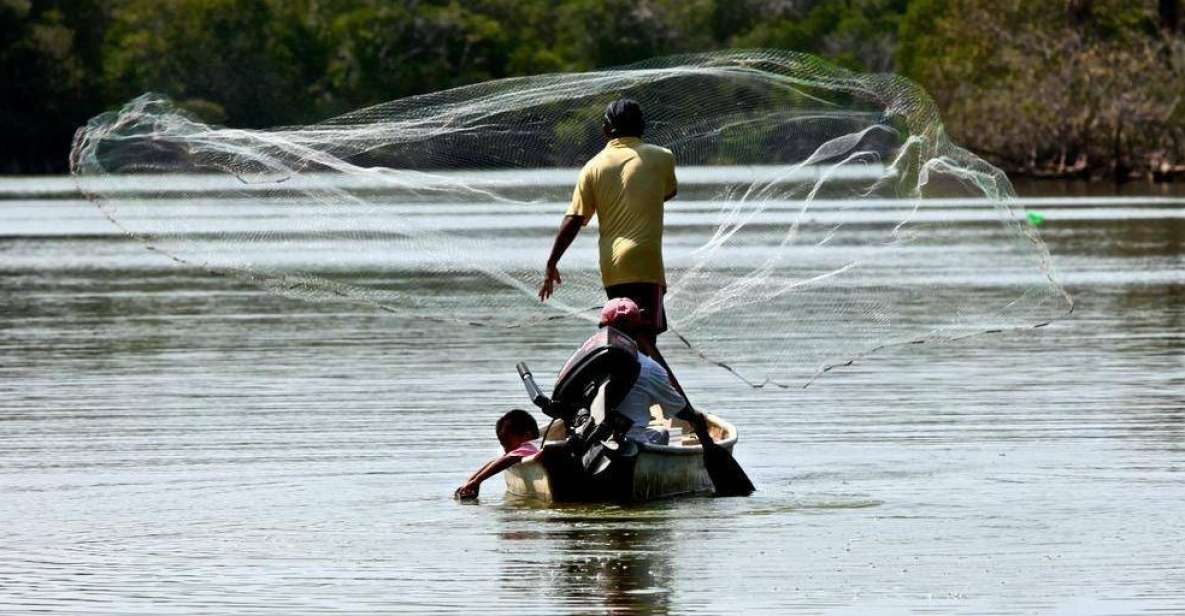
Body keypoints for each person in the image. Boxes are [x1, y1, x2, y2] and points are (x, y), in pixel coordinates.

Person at [538, 98, 688, 395]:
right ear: (642, 127)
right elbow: (666, 192)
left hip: (613, 267)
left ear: (606, 130)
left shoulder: (593, 167)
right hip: (646, 264)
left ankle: (633, 402)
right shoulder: (662, 158)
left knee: (627, 339)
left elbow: (574, 219)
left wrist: (551, 263)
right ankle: (680, 405)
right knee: (644, 340)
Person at [597, 298, 711, 446]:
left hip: (593, 438)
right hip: (630, 443)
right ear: (638, 332)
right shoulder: (649, 368)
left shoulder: (591, 362)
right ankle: (675, 450)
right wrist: (697, 421)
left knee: (661, 432)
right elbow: (679, 410)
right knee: (667, 433)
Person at [454, 409, 541, 500]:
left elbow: (507, 459)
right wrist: (471, 481)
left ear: (526, 436)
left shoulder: (528, 447)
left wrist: (477, 481)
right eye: (503, 445)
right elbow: (497, 461)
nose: (505, 450)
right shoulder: (524, 449)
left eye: (508, 444)